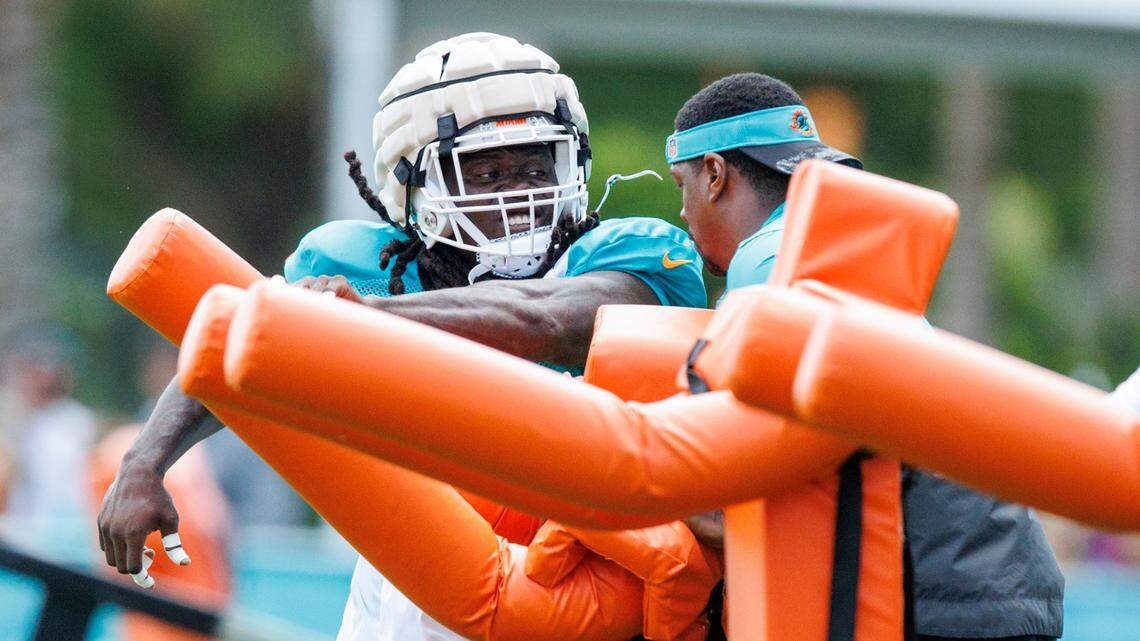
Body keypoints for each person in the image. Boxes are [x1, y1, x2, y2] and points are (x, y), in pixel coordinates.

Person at [98, 32, 707, 641]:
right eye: (487, 172)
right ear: (418, 188)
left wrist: (363, 320)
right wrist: (144, 460)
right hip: (422, 573)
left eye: (534, 164)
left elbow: (545, 319)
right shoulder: (364, 266)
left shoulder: (631, 256)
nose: (520, 194)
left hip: (596, 580)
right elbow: (243, 342)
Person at [665, 73, 1063, 641]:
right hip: (994, 566)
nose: (681, 212)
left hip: (943, 583)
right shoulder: (829, 242)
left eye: (682, 185)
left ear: (714, 175)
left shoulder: (772, 259)